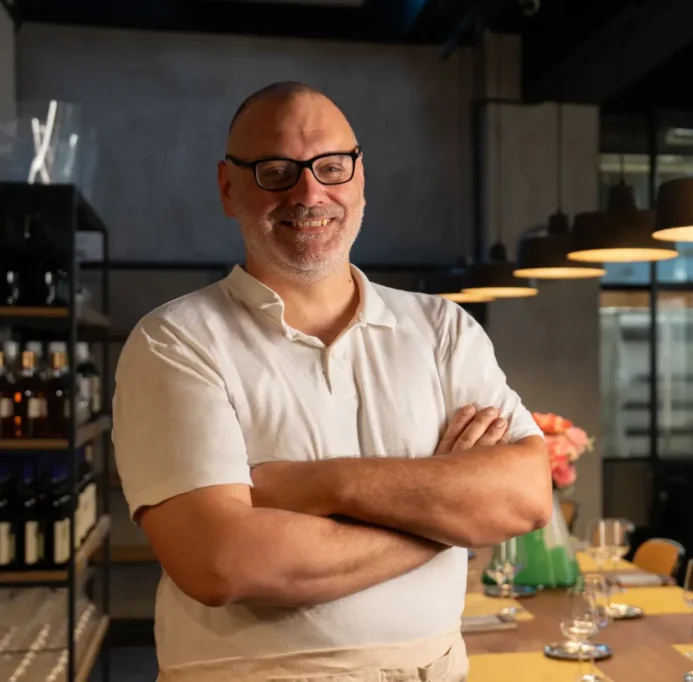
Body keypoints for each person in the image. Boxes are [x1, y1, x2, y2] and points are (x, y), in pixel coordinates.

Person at [111, 81, 552, 682]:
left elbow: (526, 494)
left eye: (332, 166)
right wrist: (446, 523)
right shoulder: (176, 340)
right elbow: (221, 564)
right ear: (227, 187)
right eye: (275, 170)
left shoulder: (442, 328)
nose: (310, 191)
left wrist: (321, 484)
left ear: (360, 176)